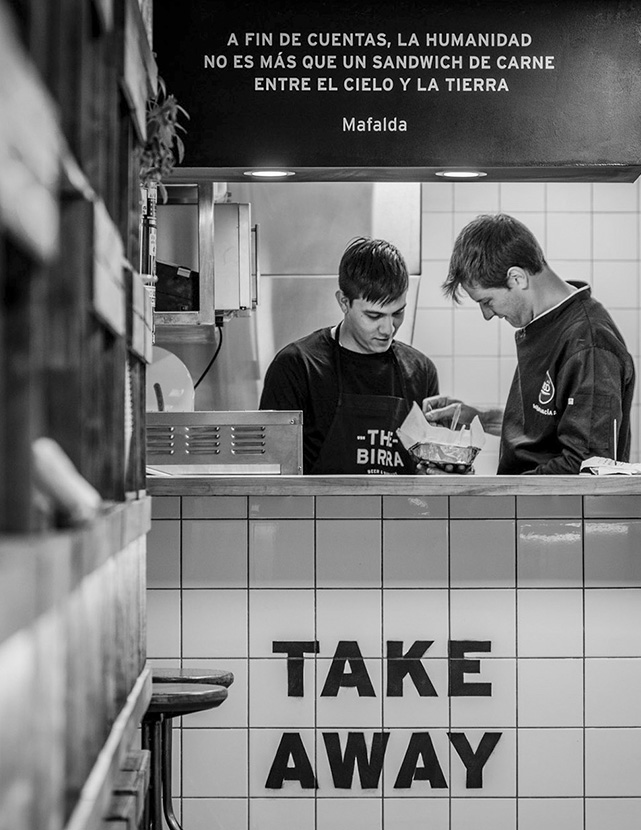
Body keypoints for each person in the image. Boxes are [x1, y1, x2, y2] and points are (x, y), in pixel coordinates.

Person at [424, 213, 635, 475]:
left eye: (486, 301)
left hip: (556, 515)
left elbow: (585, 469)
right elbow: (550, 429)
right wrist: (480, 418)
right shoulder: (548, 326)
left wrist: (494, 494)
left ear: (517, 278)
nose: (487, 315)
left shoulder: (589, 344)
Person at [259, 237, 439, 474]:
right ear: (344, 302)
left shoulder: (421, 371)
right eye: (374, 316)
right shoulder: (297, 367)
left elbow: (428, 469)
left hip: (400, 511)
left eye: (397, 313)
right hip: (319, 511)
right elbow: (272, 473)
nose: (388, 329)